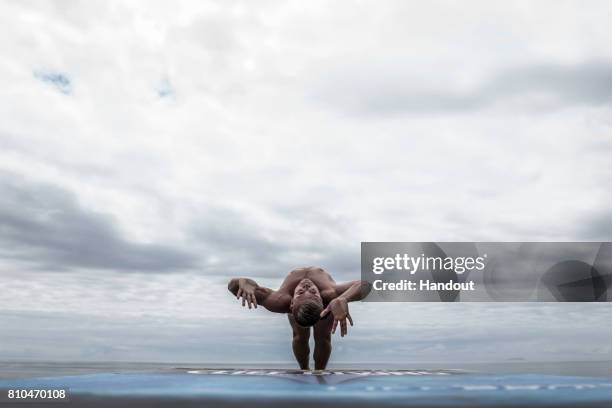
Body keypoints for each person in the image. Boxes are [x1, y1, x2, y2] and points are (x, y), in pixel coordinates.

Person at [228, 266, 371, 370]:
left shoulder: (281, 300)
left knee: (322, 337)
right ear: (291, 303)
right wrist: (343, 299)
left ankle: (319, 372)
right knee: (299, 337)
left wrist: (242, 283)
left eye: (312, 291)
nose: (307, 285)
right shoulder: (284, 301)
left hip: (326, 306)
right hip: (321, 305)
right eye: (301, 292)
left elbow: (233, 286)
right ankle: (304, 369)